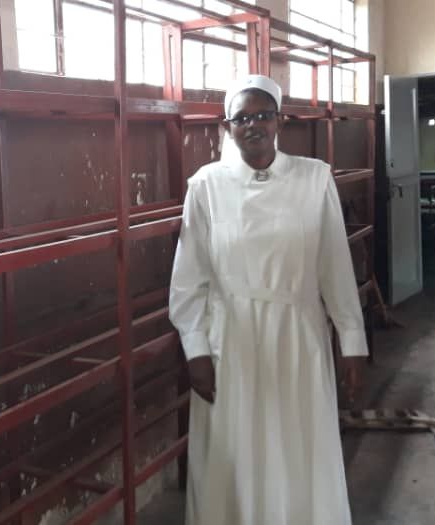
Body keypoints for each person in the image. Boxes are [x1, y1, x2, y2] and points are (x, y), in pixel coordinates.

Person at [169, 74, 367, 525]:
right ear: (227, 127)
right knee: (233, 453)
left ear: (280, 121)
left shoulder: (314, 178)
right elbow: (188, 278)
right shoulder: (206, 186)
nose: (253, 125)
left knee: (297, 448)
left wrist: (352, 341)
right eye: (241, 118)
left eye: (263, 115)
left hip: (298, 337)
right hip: (229, 340)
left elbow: (335, 266)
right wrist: (195, 350)